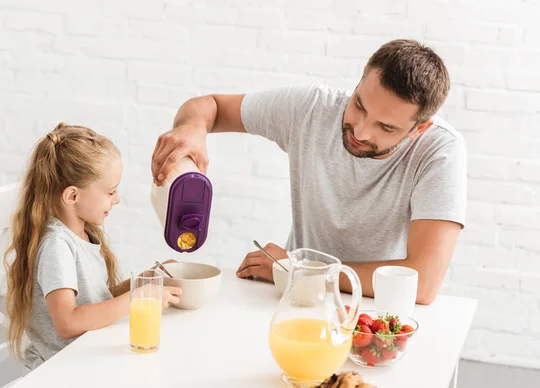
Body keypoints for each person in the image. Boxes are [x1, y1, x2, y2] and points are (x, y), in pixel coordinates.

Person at [151, 39, 467, 305]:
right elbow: (210, 107)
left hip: (377, 309)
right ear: (360, 81)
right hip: (296, 297)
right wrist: (193, 128)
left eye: (386, 127)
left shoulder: (440, 150)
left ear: (419, 128)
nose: (361, 130)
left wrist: (300, 269)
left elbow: (422, 284)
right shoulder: (313, 108)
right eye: (359, 105)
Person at [4, 123, 182, 370]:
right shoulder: (57, 247)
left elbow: (94, 301)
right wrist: (137, 298)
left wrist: (142, 282)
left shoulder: (82, 233)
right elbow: (67, 322)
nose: (117, 199)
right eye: (110, 191)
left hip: (86, 356)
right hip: (60, 371)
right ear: (72, 196)